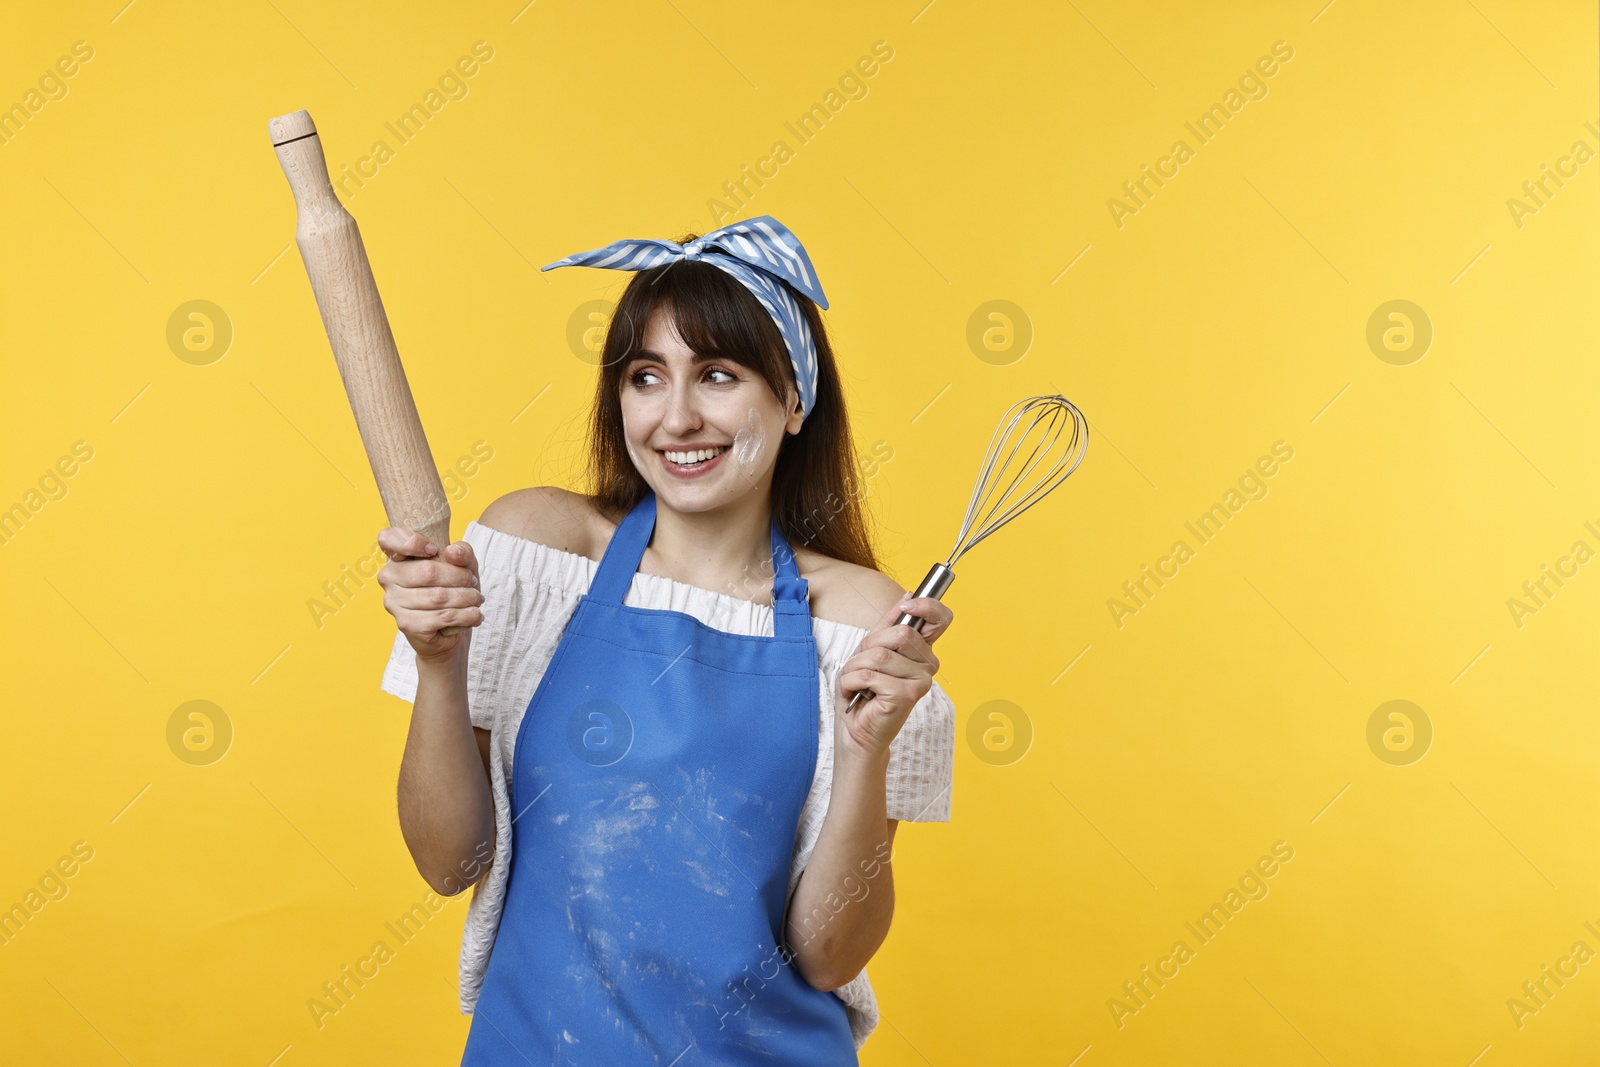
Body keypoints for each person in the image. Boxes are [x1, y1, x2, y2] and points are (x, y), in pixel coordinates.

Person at [376, 216, 956, 1064]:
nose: (677, 417)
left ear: (794, 399)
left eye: (717, 375)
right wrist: (440, 663)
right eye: (647, 377)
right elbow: (447, 861)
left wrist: (867, 747)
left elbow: (831, 953)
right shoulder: (538, 551)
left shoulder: (861, 625)